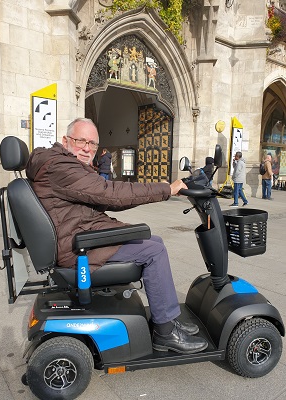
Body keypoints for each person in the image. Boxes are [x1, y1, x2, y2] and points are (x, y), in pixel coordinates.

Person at [26, 117, 208, 355]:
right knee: (153, 250)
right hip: (77, 246)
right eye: (81, 140)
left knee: (155, 241)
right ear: (65, 140)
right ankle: (164, 332)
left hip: (79, 234)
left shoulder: (57, 163)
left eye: (92, 143)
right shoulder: (62, 167)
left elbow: (106, 199)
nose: (87, 148)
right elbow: (109, 193)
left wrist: (160, 188)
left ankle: (168, 317)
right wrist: (167, 189)